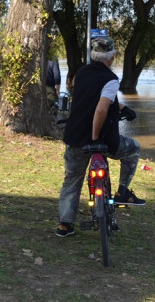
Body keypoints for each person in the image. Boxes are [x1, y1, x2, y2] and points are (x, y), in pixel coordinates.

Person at [56, 36, 144, 237]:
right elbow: (101, 109)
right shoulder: (111, 79)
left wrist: (123, 107)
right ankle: (122, 192)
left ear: (93, 55)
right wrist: (95, 136)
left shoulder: (81, 74)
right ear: (112, 57)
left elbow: (90, 98)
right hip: (102, 139)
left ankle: (64, 224)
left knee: (72, 178)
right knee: (134, 148)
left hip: (75, 136)